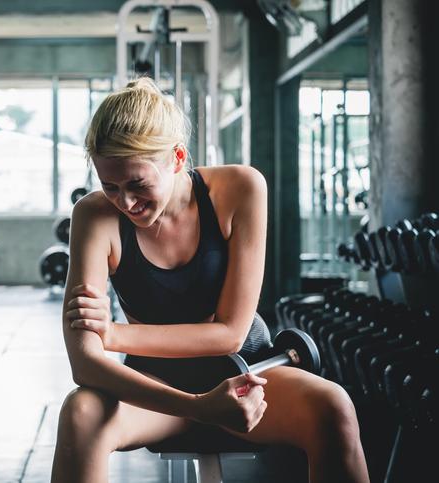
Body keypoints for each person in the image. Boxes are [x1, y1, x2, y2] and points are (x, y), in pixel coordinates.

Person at [50, 78, 369, 483]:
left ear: (177, 157)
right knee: (80, 414)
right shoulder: (93, 216)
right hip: (156, 383)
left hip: (247, 372)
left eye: (137, 184)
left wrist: (110, 334)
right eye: (110, 186)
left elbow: (230, 333)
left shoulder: (241, 188)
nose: (125, 202)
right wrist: (198, 405)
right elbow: (85, 364)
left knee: (333, 407)